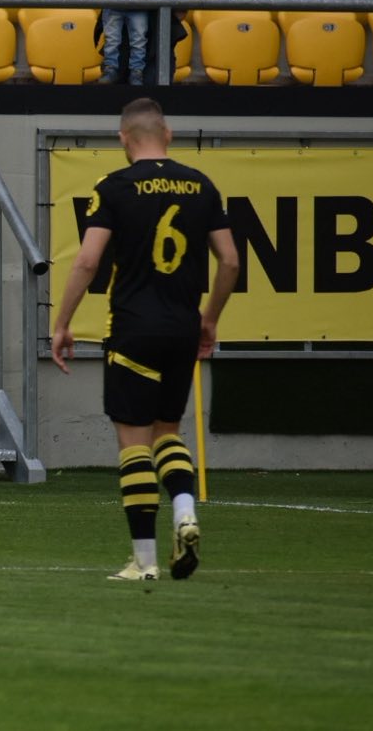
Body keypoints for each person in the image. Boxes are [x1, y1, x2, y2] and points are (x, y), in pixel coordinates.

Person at [51, 98, 239, 583]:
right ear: (167, 134)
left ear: (123, 138)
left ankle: (145, 560)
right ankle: (185, 512)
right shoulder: (202, 185)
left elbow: (87, 260)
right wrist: (210, 319)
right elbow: (231, 261)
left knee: (133, 441)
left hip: (133, 327)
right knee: (167, 433)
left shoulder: (113, 187)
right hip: (182, 329)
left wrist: (62, 322)